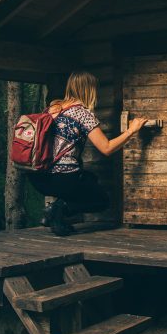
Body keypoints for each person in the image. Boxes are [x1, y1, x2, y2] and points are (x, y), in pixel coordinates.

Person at [29, 71, 147, 235]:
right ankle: (58, 209)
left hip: (37, 178)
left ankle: (55, 211)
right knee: (101, 201)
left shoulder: (52, 108)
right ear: (90, 90)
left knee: (90, 179)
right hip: (62, 179)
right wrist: (131, 131)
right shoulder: (82, 114)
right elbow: (106, 148)